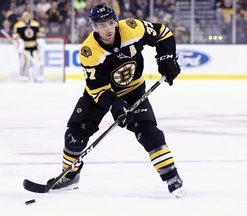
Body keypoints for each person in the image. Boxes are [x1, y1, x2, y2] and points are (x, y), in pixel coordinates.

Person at [52, 3, 185, 198]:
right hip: (98, 94)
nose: (107, 29)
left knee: (149, 133)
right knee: (75, 135)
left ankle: (172, 177)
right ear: (93, 27)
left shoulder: (133, 28)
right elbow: (98, 88)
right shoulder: (89, 51)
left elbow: (163, 33)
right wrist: (115, 105)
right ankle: (69, 175)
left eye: (110, 22)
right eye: (101, 25)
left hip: (133, 90)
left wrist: (166, 58)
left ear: (116, 21)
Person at [12, 11, 45, 82]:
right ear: (22, 16)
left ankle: (37, 76)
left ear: (30, 16)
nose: (26, 16)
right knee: (24, 63)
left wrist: (41, 38)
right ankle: (23, 76)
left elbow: (39, 34)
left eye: (28, 15)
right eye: (25, 15)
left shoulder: (35, 24)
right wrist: (17, 40)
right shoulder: (18, 25)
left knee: (37, 62)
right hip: (24, 48)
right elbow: (15, 35)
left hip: (34, 46)